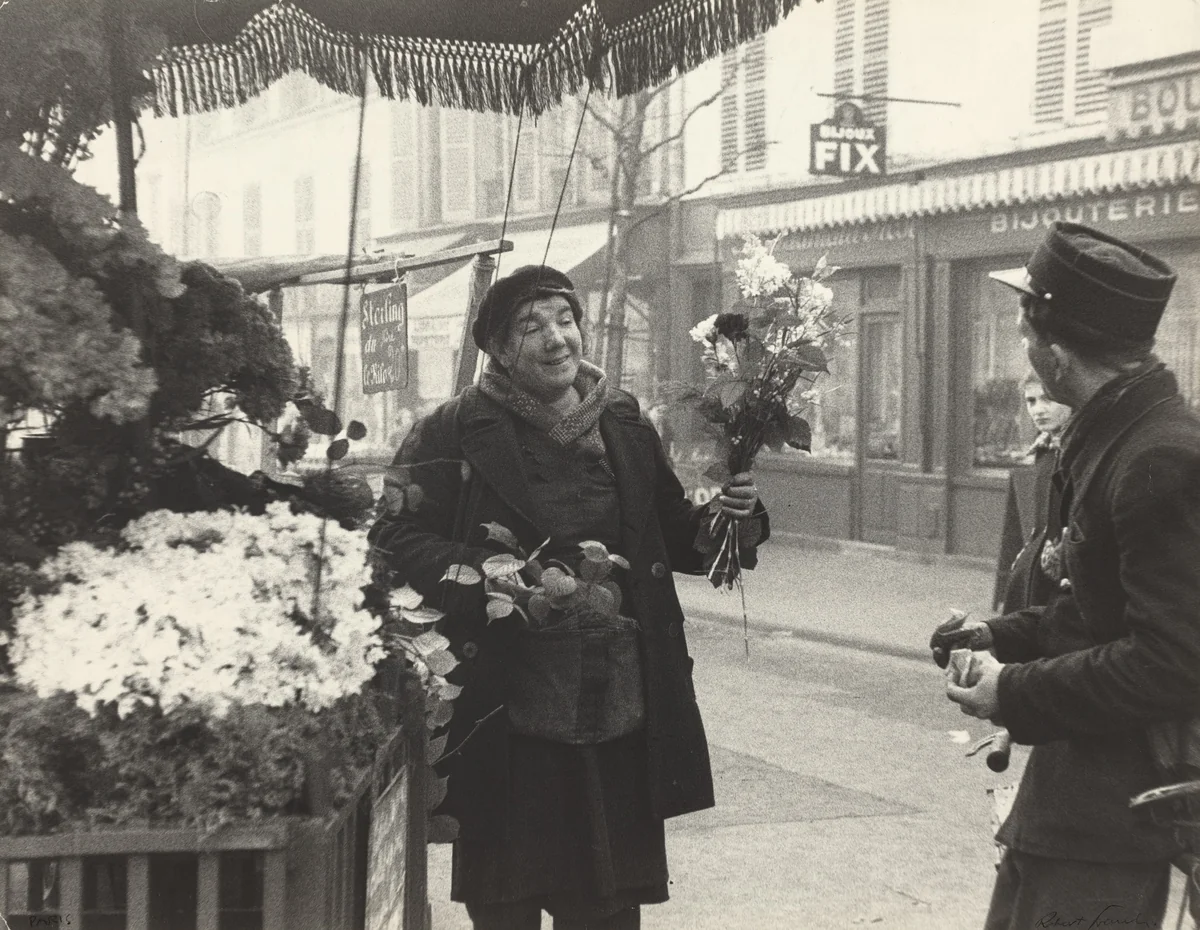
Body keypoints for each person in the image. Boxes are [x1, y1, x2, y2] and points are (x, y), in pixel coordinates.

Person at [368, 265, 766, 930]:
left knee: (608, 912)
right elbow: (392, 536)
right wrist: (483, 572)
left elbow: (672, 537)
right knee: (507, 908)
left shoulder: (624, 424)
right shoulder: (450, 430)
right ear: (496, 349)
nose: (557, 338)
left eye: (565, 319)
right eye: (532, 326)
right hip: (508, 719)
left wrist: (731, 519)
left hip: (617, 718)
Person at [930, 221, 1200, 929]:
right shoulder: (1115, 432)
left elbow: (1170, 661)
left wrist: (1008, 692)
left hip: (1112, 818)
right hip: (1071, 806)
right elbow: (1088, 614)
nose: (1025, 351)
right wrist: (997, 634)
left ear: (1055, 348)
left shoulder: (1156, 456)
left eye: (1025, 334)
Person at [991, 372, 1073, 614]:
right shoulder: (1045, 451)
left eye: (1048, 399)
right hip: (1042, 561)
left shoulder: (1081, 450)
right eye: (1031, 401)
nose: (1038, 410)